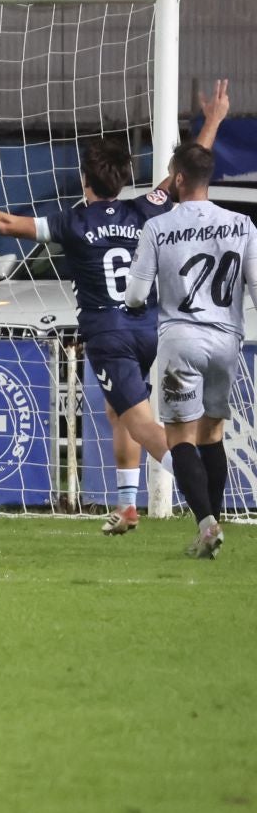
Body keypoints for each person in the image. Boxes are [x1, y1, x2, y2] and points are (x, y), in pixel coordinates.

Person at [0, 81, 229, 534]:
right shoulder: (145, 209)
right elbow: (186, 172)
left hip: (109, 335)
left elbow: (3, 222)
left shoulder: (72, 223)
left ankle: (202, 505)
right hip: (148, 329)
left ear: (85, 180)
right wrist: (213, 120)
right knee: (117, 411)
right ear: (122, 179)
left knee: (142, 423)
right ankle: (126, 505)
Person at [125, 140, 257, 560]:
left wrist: (136, 304)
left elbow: (135, 294)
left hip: (182, 339)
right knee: (213, 434)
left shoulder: (158, 227)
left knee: (181, 436)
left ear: (178, 179)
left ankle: (205, 522)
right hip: (226, 341)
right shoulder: (242, 225)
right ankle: (210, 527)